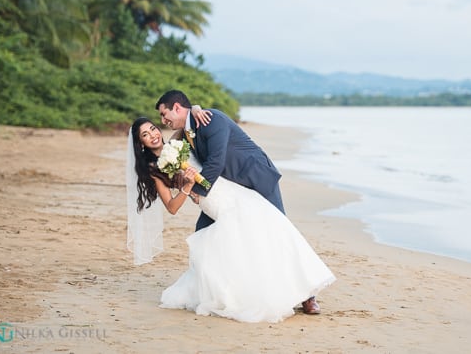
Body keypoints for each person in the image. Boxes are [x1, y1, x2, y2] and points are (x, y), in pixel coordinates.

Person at [127, 116, 335, 323]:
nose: (153, 135)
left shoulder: (177, 140)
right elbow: (172, 207)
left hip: (232, 189)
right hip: (212, 202)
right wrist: (188, 188)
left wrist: (198, 109)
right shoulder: (154, 169)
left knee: (273, 227)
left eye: (153, 129)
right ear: (140, 143)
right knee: (243, 241)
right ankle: (259, 292)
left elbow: (191, 121)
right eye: (145, 135)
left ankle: (306, 292)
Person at [155, 90, 321, 315]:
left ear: (176, 107)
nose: (163, 121)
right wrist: (194, 107)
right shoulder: (186, 130)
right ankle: (214, 291)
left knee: (279, 232)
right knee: (203, 232)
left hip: (256, 178)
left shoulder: (212, 120)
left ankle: (307, 296)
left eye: (165, 115)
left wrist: (196, 192)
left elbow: (215, 162)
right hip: (229, 190)